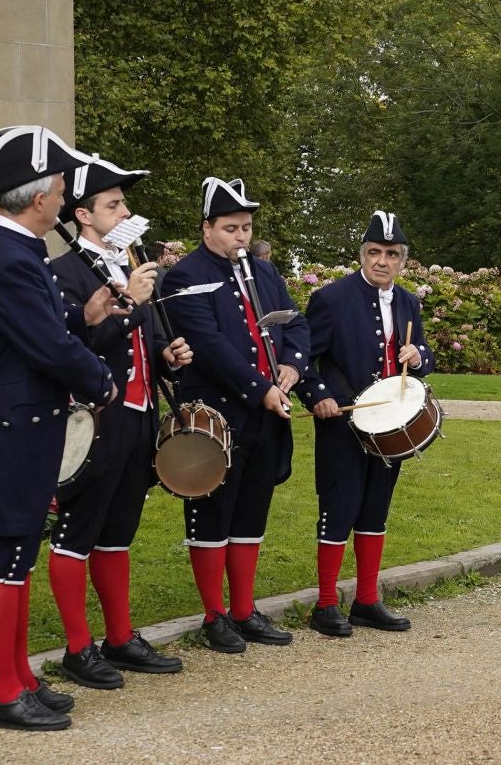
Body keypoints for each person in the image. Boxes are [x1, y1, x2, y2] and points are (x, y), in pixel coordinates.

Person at [0, 125, 137, 730]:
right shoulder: (3, 258)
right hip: (8, 425)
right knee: (5, 553)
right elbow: (47, 348)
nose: (61, 197)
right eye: (57, 188)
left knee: (19, 550)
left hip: (18, 421)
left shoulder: (7, 251)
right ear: (36, 199)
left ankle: (22, 677)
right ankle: (6, 694)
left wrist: (87, 314)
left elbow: (48, 329)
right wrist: (103, 383)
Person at [49, 157, 190, 690]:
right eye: (114, 204)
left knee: (118, 533)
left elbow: (141, 338)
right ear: (83, 215)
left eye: (124, 203)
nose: (125, 211)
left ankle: (119, 636)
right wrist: (130, 299)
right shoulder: (62, 273)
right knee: (77, 533)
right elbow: (74, 348)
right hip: (94, 421)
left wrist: (167, 351)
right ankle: (78, 648)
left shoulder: (126, 265)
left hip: (139, 417)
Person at [163, 177, 310, 651]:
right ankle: (213, 615)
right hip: (217, 414)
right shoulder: (184, 274)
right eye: (231, 228)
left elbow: (297, 323)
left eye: (246, 227)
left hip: (267, 411)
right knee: (211, 513)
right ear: (207, 227)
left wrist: (292, 367)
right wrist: (260, 389)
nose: (241, 237)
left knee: (252, 510)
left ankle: (244, 609)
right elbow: (209, 346)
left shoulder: (264, 273)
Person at [298, 210, 436, 637]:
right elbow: (301, 359)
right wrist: (318, 396)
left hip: (390, 426)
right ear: (362, 254)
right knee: (338, 509)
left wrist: (419, 358)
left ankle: (367, 600)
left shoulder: (409, 301)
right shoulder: (331, 298)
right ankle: (324, 605)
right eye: (374, 252)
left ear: (403, 260)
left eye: (391, 254)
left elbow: (425, 356)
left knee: (375, 509)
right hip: (343, 423)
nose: (382, 261)